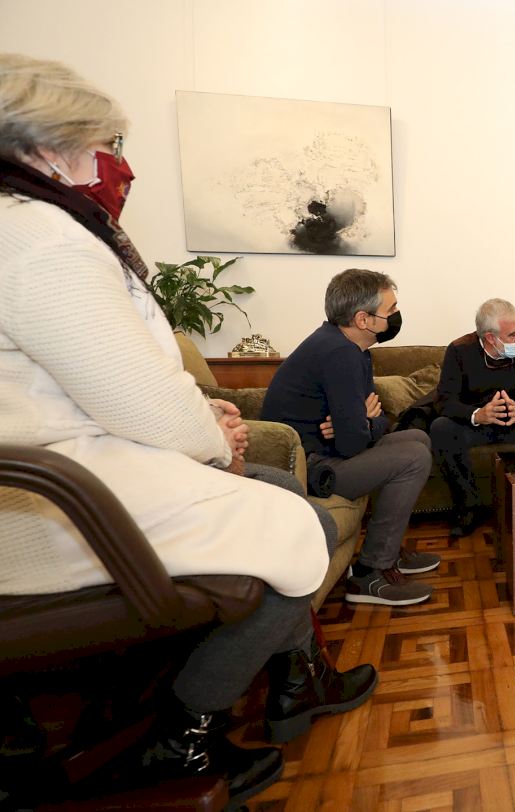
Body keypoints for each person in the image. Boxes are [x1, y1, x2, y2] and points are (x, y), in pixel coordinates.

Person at [0, 54, 374, 806]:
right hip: (54, 503)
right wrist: (214, 438)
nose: (113, 164)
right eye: (101, 144)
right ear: (47, 147)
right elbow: (135, 398)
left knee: (277, 489)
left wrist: (204, 418)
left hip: (71, 474)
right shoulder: (39, 237)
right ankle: (183, 732)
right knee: (298, 525)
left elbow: (100, 380)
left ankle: (299, 678)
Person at [261, 269, 436, 607]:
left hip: (331, 451)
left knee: (417, 438)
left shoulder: (354, 349)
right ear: (362, 319)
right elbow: (354, 442)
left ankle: (388, 548)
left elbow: (377, 420)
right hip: (311, 469)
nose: (396, 315)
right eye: (390, 310)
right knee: (413, 457)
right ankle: (370, 573)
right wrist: (361, 424)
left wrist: (363, 422)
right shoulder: (338, 353)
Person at [431, 298, 515, 536]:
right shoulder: (459, 350)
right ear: (491, 337)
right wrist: (477, 415)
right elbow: (445, 401)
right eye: (512, 334)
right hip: (476, 425)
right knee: (441, 428)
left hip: (513, 423)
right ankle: (469, 507)